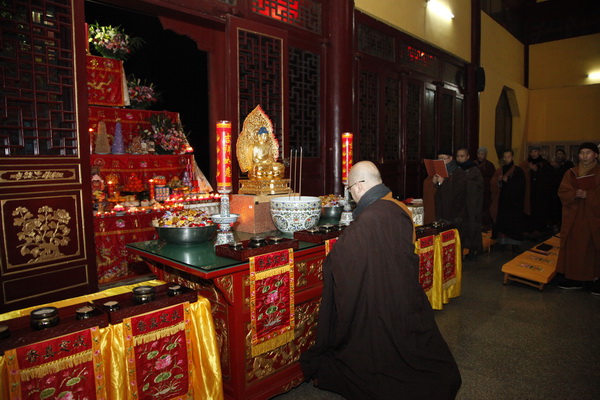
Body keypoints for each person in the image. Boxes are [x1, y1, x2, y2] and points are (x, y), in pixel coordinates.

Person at [300, 161, 462, 400]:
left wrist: (333, 257)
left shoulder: (368, 221)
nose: (351, 194)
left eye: (351, 188)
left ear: (361, 185)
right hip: (402, 295)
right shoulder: (396, 208)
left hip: (378, 301)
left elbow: (341, 261)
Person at [556, 142, 600, 294]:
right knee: (575, 248)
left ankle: (594, 279)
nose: (585, 156)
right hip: (574, 217)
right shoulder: (571, 173)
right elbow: (562, 191)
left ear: (596, 155)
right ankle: (574, 278)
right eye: (582, 153)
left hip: (593, 219)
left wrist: (589, 195)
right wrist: (574, 194)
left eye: (588, 153)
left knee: (592, 250)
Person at [490, 149, 526, 253]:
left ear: (513, 157)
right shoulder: (500, 170)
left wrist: (508, 181)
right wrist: (498, 181)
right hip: (502, 202)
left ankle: (515, 245)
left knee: (514, 224)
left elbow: (521, 186)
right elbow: (493, 183)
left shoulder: (518, 171)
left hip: (514, 203)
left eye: (508, 157)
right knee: (502, 222)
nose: (506, 159)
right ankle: (502, 243)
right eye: (505, 157)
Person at [519, 146, 556, 236]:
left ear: (539, 152)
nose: (533, 153)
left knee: (539, 211)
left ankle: (538, 231)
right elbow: (520, 174)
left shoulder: (545, 164)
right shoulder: (525, 163)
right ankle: (527, 230)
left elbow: (550, 177)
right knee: (527, 210)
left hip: (540, 194)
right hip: (528, 193)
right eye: (532, 152)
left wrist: (537, 170)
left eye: (535, 151)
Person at [456, 147, 484, 260]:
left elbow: (479, 186)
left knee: (471, 225)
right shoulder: (456, 169)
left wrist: (466, 183)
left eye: (462, 156)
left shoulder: (474, 169)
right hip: (459, 204)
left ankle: (473, 249)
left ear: (468, 157)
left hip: (471, 203)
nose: (459, 158)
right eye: (458, 156)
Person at [432, 149, 467, 233]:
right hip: (441, 207)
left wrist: (443, 182)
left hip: (454, 209)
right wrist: (435, 182)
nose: (440, 161)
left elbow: (458, 189)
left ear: (451, 158)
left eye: (443, 158)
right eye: (439, 159)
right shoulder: (439, 171)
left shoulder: (458, 171)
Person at [552, 149, 575, 229]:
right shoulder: (555, 165)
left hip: (566, 191)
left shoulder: (569, 164)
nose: (559, 155)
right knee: (556, 208)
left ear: (565, 155)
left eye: (561, 154)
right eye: (557, 154)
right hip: (555, 191)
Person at [475, 146, 496, 226]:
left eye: (482, 154)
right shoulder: (474, 164)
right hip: (475, 191)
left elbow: (493, 179)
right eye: (479, 154)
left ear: (485, 155)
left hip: (486, 192)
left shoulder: (490, 165)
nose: (480, 156)